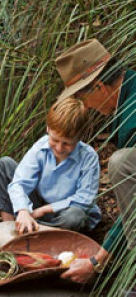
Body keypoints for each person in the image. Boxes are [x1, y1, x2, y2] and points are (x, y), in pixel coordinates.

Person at [54, 39, 136, 285]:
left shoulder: (132, 120)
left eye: (82, 97)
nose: (86, 107)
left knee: (121, 163)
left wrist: (97, 261)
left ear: (99, 86)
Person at [0, 97, 101, 235]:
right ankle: (11, 229)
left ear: (79, 137)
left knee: (74, 216)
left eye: (67, 143)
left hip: (64, 213)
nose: (59, 148)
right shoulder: (41, 147)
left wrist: (43, 210)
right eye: (55, 140)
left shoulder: (88, 157)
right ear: (48, 128)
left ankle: (42, 233)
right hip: (39, 202)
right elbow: (19, 183)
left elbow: (84, 199)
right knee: (4, 165)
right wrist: (23, 210)